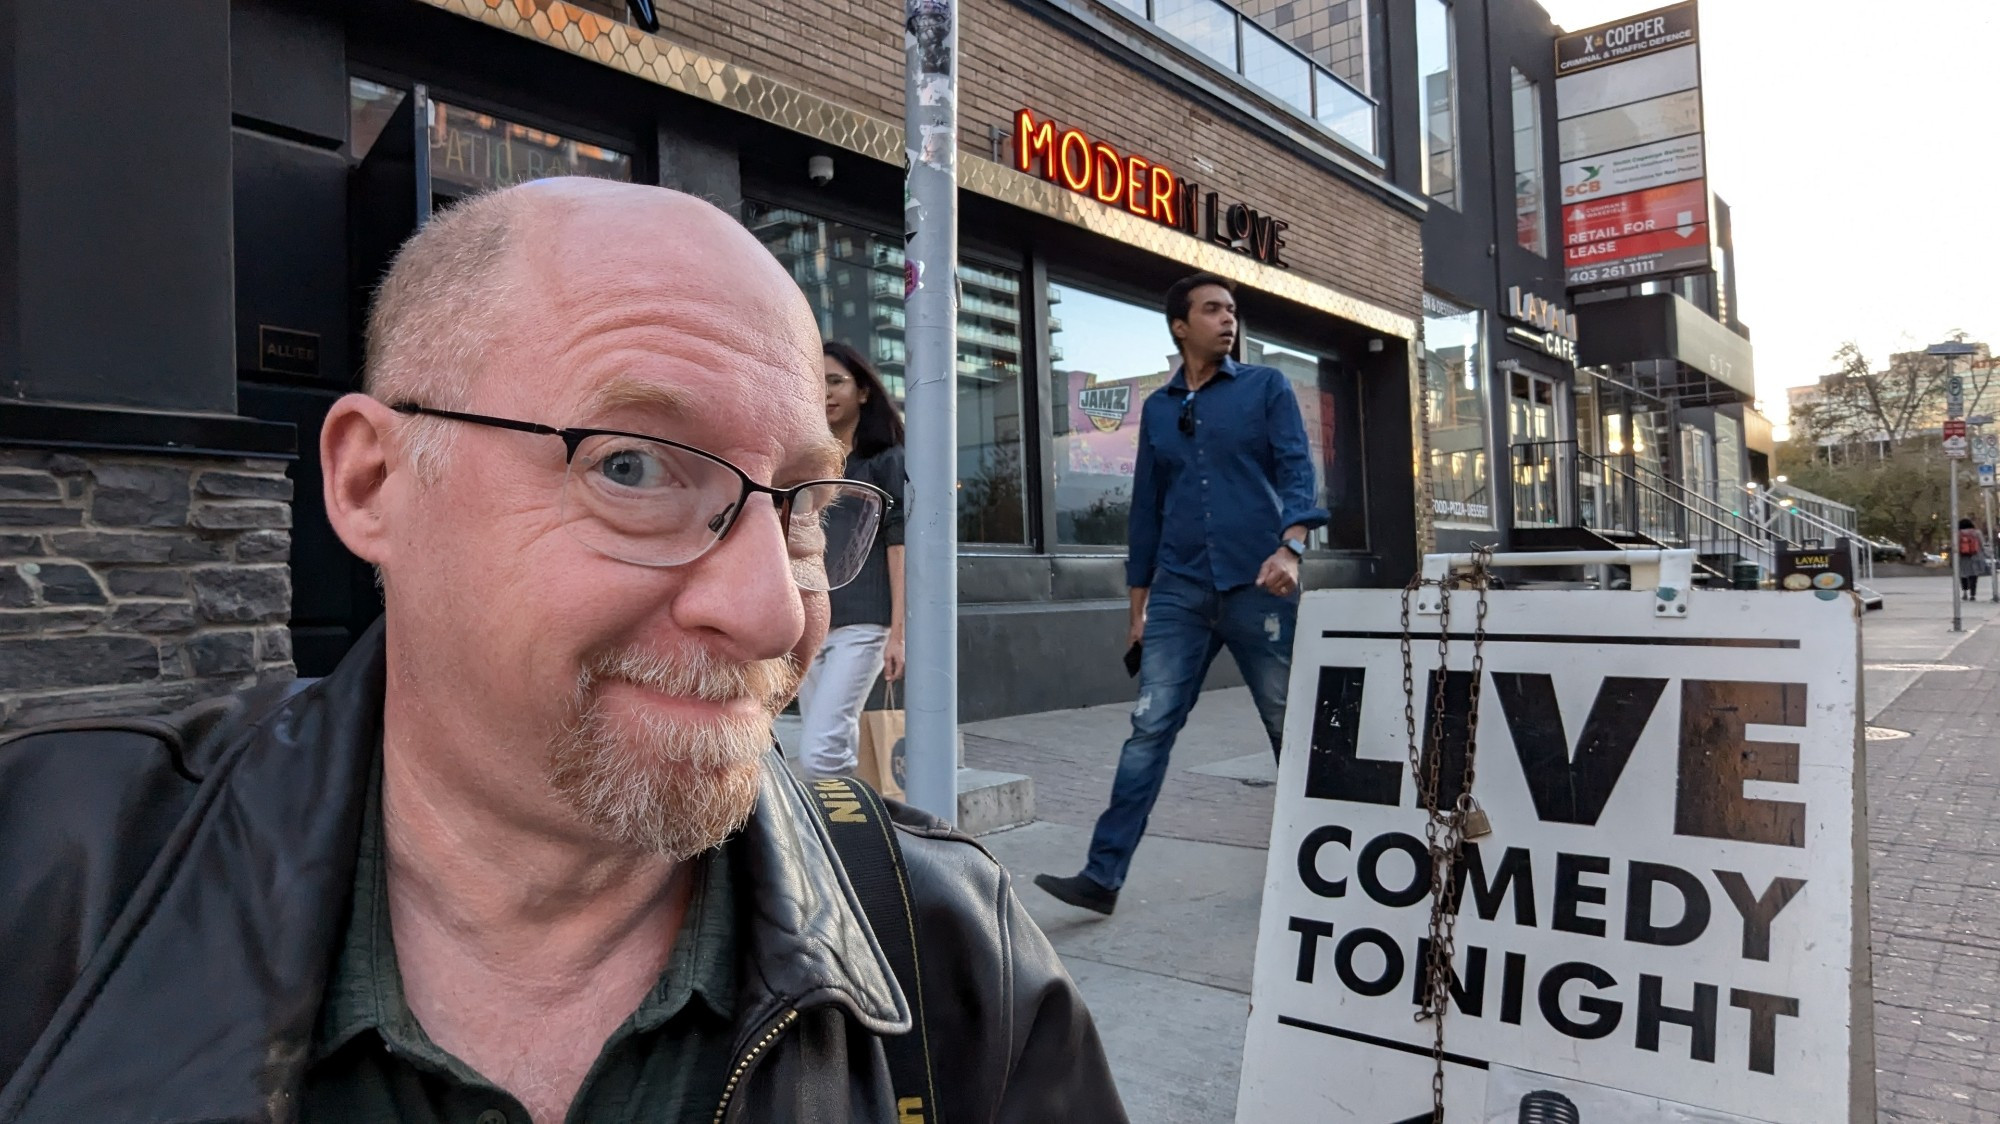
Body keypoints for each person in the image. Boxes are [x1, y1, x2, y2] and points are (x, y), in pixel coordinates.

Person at [0, 180, 1125, 1123]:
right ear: (372, 483)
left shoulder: (954, 961)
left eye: (795, 505)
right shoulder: (61, 874)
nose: (775, 616)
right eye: (632, 467)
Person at [1035, 272, 1328, 917]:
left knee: (1290, 728)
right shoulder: (1161, 409)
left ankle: (1326, 870)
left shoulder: (1265, 388)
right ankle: (1102, 877)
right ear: (1180, 325)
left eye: (1232, 310)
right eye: (1213, 309)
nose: (1228, 320)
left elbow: (1296, 467)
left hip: (1259, 584)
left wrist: (1293, 545)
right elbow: (1147, 508)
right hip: (1180, 592)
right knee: (1148, 728)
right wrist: (1136, 609)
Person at [795, 342, 906, 780]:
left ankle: (839, 840)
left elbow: (900, 548)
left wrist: (899, 633)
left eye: (835, 381)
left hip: (864, 621)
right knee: (829, 744)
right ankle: (848, 837)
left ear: (863, 392)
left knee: (820, 749)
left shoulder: (886, 461)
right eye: (816, 382)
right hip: (814, 618)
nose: (825, 392)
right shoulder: (809, 467)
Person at [1958, 516, 1988, 600]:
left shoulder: (1958, 533)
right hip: (1975, 556)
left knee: (1963, 574)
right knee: (1973, 575)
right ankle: (1972, 594)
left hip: (1963, 558)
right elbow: (1982, 544)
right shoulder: (1977, 532)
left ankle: (1964, 593)